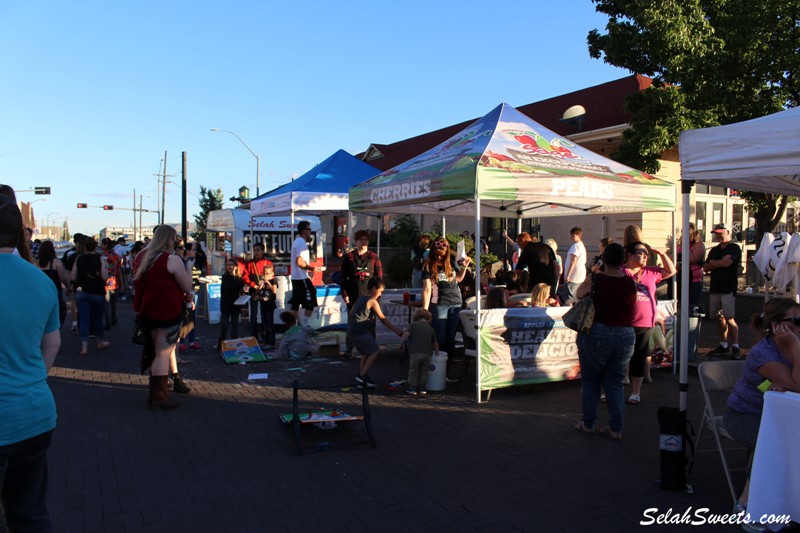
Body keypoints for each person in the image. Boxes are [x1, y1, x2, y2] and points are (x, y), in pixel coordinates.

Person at [0, 195, 62, 532]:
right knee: (29, 514)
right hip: (34, 414)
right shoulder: (41, 281)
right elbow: (52, 344)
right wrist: (30, 379)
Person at [724, 297, 800, 529]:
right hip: (745, 415)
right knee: (776, 444)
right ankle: (747, 504)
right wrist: (796, 347)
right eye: (797, 320)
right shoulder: (763, 353)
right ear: (778, 325)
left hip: (781, 417)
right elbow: (798, 385)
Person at [573, 242, 637, 440]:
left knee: (591, 381)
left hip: (598, 331)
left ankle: (589, 423)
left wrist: (595, 272)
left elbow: (578, 294)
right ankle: (616, 428)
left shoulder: (595, 279)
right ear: (623, 260)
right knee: (615, 382)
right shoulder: (629, 282)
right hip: (625, 334)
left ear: (603, 259)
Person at [133, 225, 194, 409]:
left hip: (148, 311)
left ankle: (156, 393)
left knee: (155, 352)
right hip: (167, 311)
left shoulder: (144, 258)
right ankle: (159, 397)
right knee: (163, 353)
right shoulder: (172, 260)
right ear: (170, 240)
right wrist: (189, 267)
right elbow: (186, 286)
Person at [622, 241, 676, 405]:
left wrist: (661, 254)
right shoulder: (621, 271)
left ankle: (636, 392)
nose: (645, 256)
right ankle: (614, 388)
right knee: (621, 357)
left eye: (646, 254)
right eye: (640, 253)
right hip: (623, 322)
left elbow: (671, 271)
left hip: (644, 322)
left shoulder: (651, 272)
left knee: (639, 357)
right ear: (630, 255)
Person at [422, 237, 471, 357]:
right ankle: (439, 364)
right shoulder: (428, 265)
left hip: (456, 302)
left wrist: (464, 267)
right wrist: (425, 309)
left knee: (451, 336)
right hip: (439, 302)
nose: (439, 257)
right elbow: (427, 289)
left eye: (442, 255)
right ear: (433, 251)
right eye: (437, 255)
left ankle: (447, 364)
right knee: (440, 336)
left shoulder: (452, 261)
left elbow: (458, 278)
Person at [350, 277, 403, 388]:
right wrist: (397, 331)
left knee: (366, 354)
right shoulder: (372, 301)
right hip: (361, 331)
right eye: (380, 292)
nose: (380, 295)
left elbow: (351, 313)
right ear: (374, 289)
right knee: (375, 352)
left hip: (352, 330)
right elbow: (383, 319)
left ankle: (363, 378)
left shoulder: (361, 297)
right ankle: (361, 376)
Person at [704, 223, 742, 359]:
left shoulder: (735, 248)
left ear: (727, 232)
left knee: (729, 317)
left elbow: (728, 263)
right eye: (716, 233)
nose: (718, 236)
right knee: (717, 317)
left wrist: (715, 262)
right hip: (715, 287)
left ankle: (736, 346)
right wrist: (718, 262)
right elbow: (706, 267)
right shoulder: (714, 250)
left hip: (728, 288)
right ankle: (724, 344)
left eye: (720, 233)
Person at [71, 237, 110, 356]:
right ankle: (100, 341)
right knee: (98, 318)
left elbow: (73, 277)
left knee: (83, 319)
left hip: (81, 292)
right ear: (95, 247)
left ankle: (84, 347)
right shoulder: (100, 260)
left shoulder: (79, 259)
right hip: (97, 292)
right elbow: (104, 277)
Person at [242, 242, 276, 346]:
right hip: (254, 291)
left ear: (262, 251)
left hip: (265, 292)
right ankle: (254, 337)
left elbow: (272, 277)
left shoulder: (267, 262)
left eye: (258, 250)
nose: (256, 252)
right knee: (253, 315)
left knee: (264, 315)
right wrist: (253, 285)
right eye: (254, 250)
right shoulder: (250, 263)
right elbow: (245, 277)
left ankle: (265, 337)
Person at [400, 308, 439, 395]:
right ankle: (422, 388)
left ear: (416, 317)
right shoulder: (430, 328)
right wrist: (437, 354)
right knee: (424, 371)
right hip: (427, 354)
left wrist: (401, 344)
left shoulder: (413, 325)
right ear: (428, 318)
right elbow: (435, 343)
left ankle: (412, 387)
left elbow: (406, 334)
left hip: (415, 353)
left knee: (413, 370)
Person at [290, 220, 321, 326]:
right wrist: (311, 269)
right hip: (301, 277)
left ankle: (293, 326)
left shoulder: (297, 241)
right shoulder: (301, 242)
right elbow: (299, 261)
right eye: (309, 229)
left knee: (296, 303)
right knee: (311, 298)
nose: (310, 232)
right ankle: (305, 324)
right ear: (304, 231)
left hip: (296, 277)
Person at [36, 240, 70, 327]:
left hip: (39, 291)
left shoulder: (36, 262)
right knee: (56, 312)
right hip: (54, 289)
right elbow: (62, 278)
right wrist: (68, 287)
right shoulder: (56, 262)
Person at [178, 242, 202, 353]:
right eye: (193, 249)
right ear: (187, 251)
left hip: (194, 291)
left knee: (192, 318)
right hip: (187, 293)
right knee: (184, 318)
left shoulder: (194, 261)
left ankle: (192, 341)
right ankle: (181, 342)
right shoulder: (183, 263)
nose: (194, 251)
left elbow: (196, 275)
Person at [677, 223, 705, 308]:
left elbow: (693, 259)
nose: (683, 234)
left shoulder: (699, 245)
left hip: (693, 280)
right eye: (682, 231)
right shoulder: (679, 246)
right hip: (680, 278)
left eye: (687, 232)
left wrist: (686, 246)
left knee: (690, 306)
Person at [219, 258, 244, 342]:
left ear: (236, 267)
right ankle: (221, 343)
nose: (229, 267)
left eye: (231, 265)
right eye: (227, 265)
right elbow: (228, 288)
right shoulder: (225, 277)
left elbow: (241, 289)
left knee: (235, 325)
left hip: (236, 304)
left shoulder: (239, 278)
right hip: (226, 303)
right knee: (224, 325)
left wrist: (244, 290)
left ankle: (234, 342)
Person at [560, 227, 587, 304]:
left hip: (573, 278)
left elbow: (573, 261)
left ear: (579, 235)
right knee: (576, 298)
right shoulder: (582, 246)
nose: (571, 237)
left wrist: (568, 275)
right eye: (571, 235)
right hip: (580, 277)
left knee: (569, 299)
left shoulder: (576, 246)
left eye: (573, 235)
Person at [101, 238, 122, 329]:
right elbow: (119, 270)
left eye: (102, 244)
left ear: (105, 245)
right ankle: (113, 318)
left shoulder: (102, 256)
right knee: (113, 302)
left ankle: (107, 321)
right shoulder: (117, 256)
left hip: (105, 280)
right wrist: (122, 283)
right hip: (114, 280)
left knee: (106, 302)